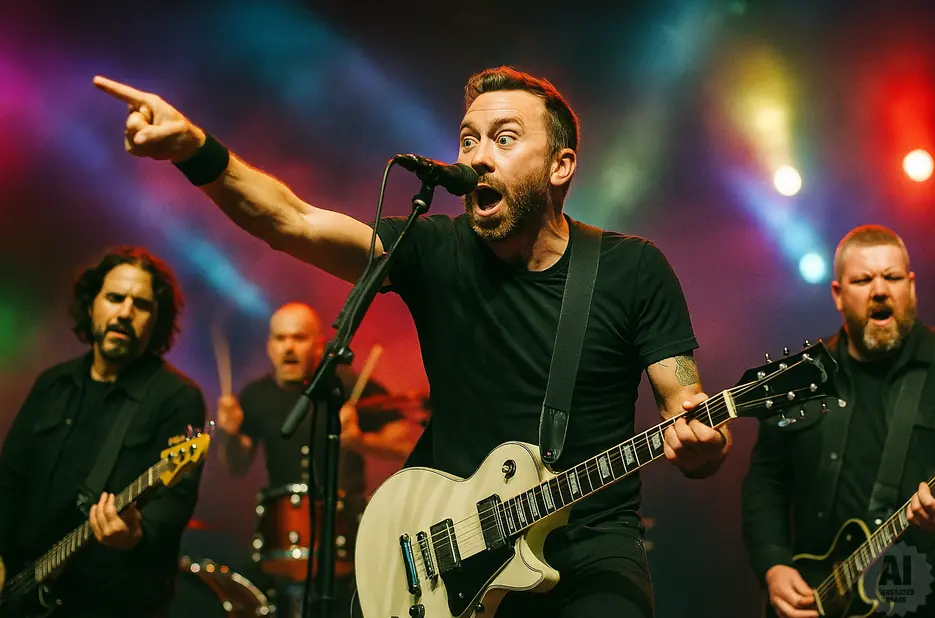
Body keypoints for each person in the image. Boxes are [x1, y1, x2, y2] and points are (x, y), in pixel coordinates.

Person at [92, 65, 732, 617]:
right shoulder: (434, 246)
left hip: (590, 538)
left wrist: (701, 439)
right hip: (445, 543)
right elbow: (293, 222)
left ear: (562, 165)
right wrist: (194, 150)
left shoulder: (631, 269)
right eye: (468, 139)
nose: (476, 156)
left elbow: (689, 407)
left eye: (504, 139)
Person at [742, 224, 935, 618]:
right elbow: (766, 481)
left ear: (911, 287)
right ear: (838, 295)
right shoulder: (801, 380)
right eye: (863, 280)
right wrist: (774, 565)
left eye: (892, 277)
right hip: (823, 595)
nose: (880, 290)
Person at [0, 247, 207, 618]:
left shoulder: (176, 398)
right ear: (92, 304)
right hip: (22, 594)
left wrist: (138, 533)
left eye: (141, 305)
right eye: (114, 298)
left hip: (112, 601)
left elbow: (175, 501)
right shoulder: (53, 384)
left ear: (156, 320)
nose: (125, 312)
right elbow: (9, 480)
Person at [214, 301, 420, 615]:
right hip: (283, 541)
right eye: (281, 339)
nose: (289, 348)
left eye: (299, 338)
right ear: (270, 347)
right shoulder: (255, 395)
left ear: (319, 345)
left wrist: (360, 441)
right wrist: (227, 433)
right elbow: (236, 465)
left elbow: (407, 440)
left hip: (350, 536)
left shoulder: (346, 384)